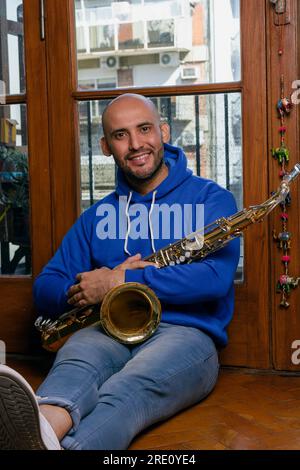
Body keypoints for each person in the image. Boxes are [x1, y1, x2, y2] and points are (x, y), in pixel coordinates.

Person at [0, 93, 240, 450]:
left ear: (163, 131)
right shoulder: (96, 216)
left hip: (187, 334)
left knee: (127, 389)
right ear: (105, 146)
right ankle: (40, 430)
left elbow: (214, 280)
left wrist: (122, 280)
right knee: (74, 367)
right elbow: (45, 288)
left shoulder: (211, 199)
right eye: (120, 135)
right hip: (106, 328)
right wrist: (88, 289)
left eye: (144, 129)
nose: (135, 144)